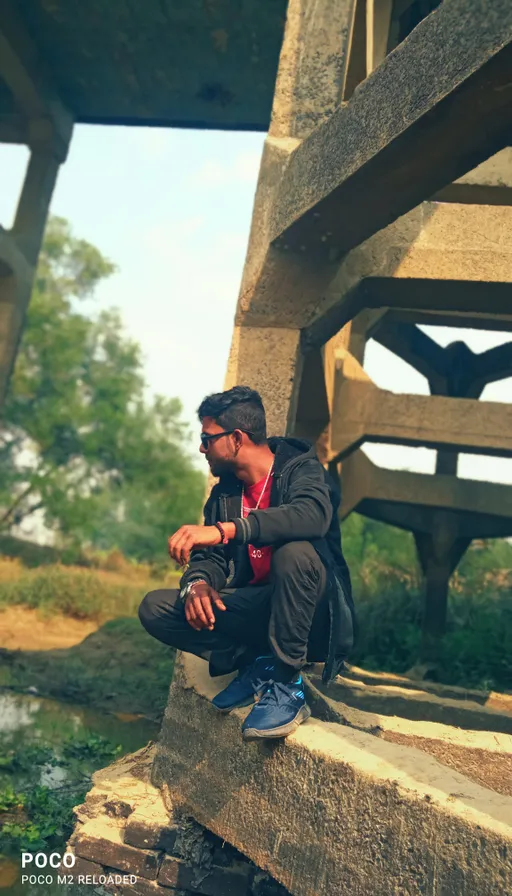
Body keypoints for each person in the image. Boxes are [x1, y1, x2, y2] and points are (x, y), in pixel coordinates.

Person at [139, 385, 355, 741]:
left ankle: (287, 683)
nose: (201, 447)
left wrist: (225, 531)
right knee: (156, 607)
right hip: (258, 612)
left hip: (310, 619)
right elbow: (209, 559)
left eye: (207, 438)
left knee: (294, 552)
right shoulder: (225, 493)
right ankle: (257, 662)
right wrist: (198, 585)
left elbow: (311, 516)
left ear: (236, 438)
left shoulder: (303, 470)